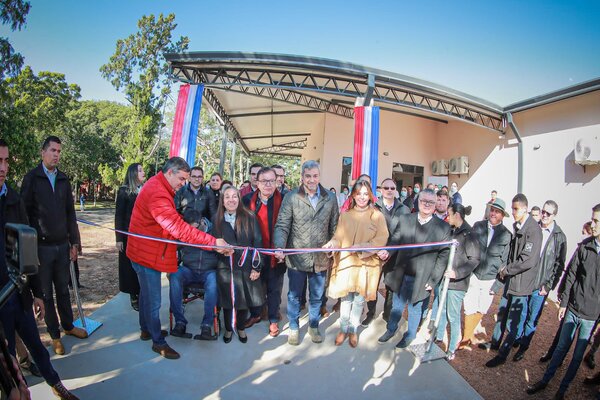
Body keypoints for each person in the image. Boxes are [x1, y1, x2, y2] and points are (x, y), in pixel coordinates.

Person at [126, 157, 231, 360]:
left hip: (146, 252)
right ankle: (158, 341)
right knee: (154, 300)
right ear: (170, 172)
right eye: (182, 178)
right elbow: (177, 228)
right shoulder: (158, 193)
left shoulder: (160, 186)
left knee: (147, 296)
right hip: (146, 255)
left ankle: (146, 329)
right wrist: (213, 242)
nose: (183, 183)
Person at [0, 139, 79, 400]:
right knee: (8, 358)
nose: (3, 167)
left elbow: (24, 247)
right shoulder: (31, 180)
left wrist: (33, 291)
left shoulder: (11, 198)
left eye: (5, 161)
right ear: (42, 152)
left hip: (19, 291)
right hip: (2, 301)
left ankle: (57, 385)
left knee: (37, 345)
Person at [20, 136, 87, 356]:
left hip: (62, 246)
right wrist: (30, 251)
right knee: (46, 294)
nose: (56, 154)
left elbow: (70, 213)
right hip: (41, 249)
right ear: (43, 152)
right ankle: (55, 335)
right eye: (52, 150)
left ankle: (68, 326)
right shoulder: (32, 178)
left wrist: (75, 242)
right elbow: (25, 217)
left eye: (59, 151)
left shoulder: (64, 179)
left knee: (63, 290)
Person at [527, 203, 600, 400]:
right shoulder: (585, 246)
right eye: (592, 220)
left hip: (591, 317)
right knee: (560, 349)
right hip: (573, 310)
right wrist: (564, 303)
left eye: (596, 221)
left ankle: (561, 391)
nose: (592, 225)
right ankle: (544, 381)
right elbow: (570, 275)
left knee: (577, 358)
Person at [274, 160, 339, 346]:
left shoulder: (330, 198)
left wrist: (333, 242)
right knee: (294, 296)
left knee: (317, 296)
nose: (312, 180)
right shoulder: (292, 197)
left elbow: (335, 226)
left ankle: (313, 325)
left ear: (319, 177)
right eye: (308, 176)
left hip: (320, 258)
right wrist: (280, 246)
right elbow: (282, 225)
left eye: (315, 176)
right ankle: (294, 327)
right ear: (302, 177)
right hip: (296, 257)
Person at [379, 188, 451, 348]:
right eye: (423, 200)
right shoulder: (405, 219)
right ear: (417, 201)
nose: (426, 204)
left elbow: (443, 257)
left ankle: (409, 335)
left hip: (422, 278)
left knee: (414, 309)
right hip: (401, 273)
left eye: (430, 202)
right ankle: (390, 330)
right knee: (396, 306)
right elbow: (395, 240)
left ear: (435, 205)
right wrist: (387, 251)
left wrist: (433, 280)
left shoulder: (443, 228)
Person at [323, 180, 388, 347]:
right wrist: (332, 244)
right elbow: (338, 237)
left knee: (359, 300)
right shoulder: (345, 215)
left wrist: (361, 247)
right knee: (346, 299)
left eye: (366, 194)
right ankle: (343, 329)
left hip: (366, 265)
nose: (362, 197)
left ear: (371, 196)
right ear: (353, 195)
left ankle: (353, 330)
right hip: (347, 264)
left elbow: (381, 238)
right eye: (359, 193)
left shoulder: (377, 216)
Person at [485, 193, 543, 368]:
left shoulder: (533, 230)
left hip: (522, 283)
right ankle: (495, 342)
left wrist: (506, 269)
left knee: (513, 321)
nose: (513, 211)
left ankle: (503, 353)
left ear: (525, 208)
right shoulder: (518, 226)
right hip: (511, 279)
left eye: (516, 208)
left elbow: (528, 259)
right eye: (512, 208)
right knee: (502, 313)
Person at [513, 200, 567, 361]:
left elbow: (559, 265)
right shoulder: (534, 229)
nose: (544, 215)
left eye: (548, 213)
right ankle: (517, 338)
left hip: (540, 286)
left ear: (554, 215)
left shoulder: (559, 237)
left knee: (532, 318)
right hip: (527, 280)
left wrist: (548, 286)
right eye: (543, 211)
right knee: (521, 313)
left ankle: (524, 346)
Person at [458, 198, 512, 349]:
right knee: (469, 305)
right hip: (474, 274)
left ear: (502, 215)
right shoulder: (478, 226)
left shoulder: (507, 235)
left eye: (497, 212)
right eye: (492, 210)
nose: (494, 213)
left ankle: (468, 336)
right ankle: (465, 338)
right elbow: (468, 247)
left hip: (490, 278)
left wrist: (497, 285)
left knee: (482, 308)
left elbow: (505, 261)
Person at [213, 186, 263, 344]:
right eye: (227, 197)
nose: (231, 200)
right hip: (226, 267)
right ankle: (228, 328)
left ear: (239, 199)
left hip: (245, 265)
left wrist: (256, 266)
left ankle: (240, 327)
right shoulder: (217, 219)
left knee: (243, 300)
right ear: (222, 201)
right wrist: (220, 250)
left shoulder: (249, 217)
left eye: (234, 196)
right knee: (228, 300)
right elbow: (213, 242)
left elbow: (258, 242)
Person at [242, 167, 286, 337]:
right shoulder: (247, 200)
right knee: (256, 287)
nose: (268, 184)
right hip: (255, 253)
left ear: (277, 182)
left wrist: (284, 249)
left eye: (271, 181)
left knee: (274, 289)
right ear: (257, 183)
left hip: (277, 253)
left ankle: (274, 319)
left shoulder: (283, 200)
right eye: (264, 181)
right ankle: (255, 314)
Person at [435, 203, 480, 360]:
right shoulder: (453, 231)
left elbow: (474, 260)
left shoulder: (470, 234)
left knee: (452, 315)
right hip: (445, 280)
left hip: (457, 284)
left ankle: (452, 348)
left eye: (449, 214)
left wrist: (457, 273)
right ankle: (438, 337)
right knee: (441, 311)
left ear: (457, 215)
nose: (447, 217)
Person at [362, 178, 409, 327]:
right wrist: (376, 250)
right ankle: (370, 313)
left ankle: (387, 314)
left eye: (392, 188)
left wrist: (388, 251)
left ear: (396, 190)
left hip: (394, 255)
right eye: (386, 187)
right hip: (374, 254)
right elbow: (367, 231)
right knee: (372, 286)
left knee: (390, 286)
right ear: (381, 190)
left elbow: (402, 234)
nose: (389, 190)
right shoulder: (372, 208)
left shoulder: (404, 210)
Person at [168, 209, 219, 340]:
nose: (193, 232)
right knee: (175, 275)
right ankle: (180, 322)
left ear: (201, 221)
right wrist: (170, 265)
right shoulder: (184, 232)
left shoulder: (215, 232)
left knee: (213, 281)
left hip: (208, 271)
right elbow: (173, 249)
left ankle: (207, 324)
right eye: (189, 228)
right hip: (189, 269)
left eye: (195, 228)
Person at [115, 163, 145, 311]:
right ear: (133, 173)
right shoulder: (124, 191)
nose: (143, 172)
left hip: (143, 236)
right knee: (129, 267)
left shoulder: (145, 190)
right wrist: (119, 238)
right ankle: (133, 294)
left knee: (142, 266)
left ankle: (141, 292)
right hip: (128, 235)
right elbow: (119, 215)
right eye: (140, 170)